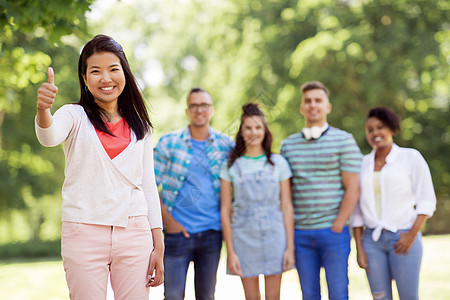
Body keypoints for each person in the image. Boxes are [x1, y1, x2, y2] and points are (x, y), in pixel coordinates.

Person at [35, 35, 164, 299]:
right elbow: (49, 137)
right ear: (84, 78)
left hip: (135, 233)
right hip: (84, 232)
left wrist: (158, 242)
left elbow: (148, 185)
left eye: (113, 69)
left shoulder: (141, 126)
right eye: (95, 71)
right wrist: (43, 110)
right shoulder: (73, 115)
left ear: (124, 73)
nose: (105, 78)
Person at [280, 81, 362, 300]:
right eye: (307, 101)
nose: (312, 105)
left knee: (338, 293)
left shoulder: (344, 140)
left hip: (333, 232)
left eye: (318, 101)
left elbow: (353, 189)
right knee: (309, 294)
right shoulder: (288, 146)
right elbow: (285, 194)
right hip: (301, 234)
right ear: (301, 107)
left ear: (328, 107)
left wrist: (337, 225)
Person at [153, 87, 233, 300]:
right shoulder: (169, 143)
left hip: (212, 233)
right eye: (194, 106)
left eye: (204, 105)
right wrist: (168, 222)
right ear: (187, 111)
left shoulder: (226, 145)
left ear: (212, 110)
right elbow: (147, 187)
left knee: (207, 296)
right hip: (177, 233)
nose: (199, 110)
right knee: (173, 296)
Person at [351, 107, 436, 300]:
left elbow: (426, 199)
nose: (375, 133)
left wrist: (411, 235)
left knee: (408, 297)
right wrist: (359, 248)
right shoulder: (361, 164)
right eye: (370, 129)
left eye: (380, 127)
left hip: (403, 237)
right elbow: (356, 210)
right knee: (380, 298)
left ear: (392, 129)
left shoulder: (410, 157)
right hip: (371, 242)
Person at [220, 103, 295, 300]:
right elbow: (225, 211)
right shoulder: (230, 166)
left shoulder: (279, 164)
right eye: (248, 128)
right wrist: (231, 252)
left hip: (275, 237)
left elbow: (286, 207)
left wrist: (289, 247)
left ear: (265, 130)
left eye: (258, 127)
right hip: (243, 238)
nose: (253, 132)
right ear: (241, 132)